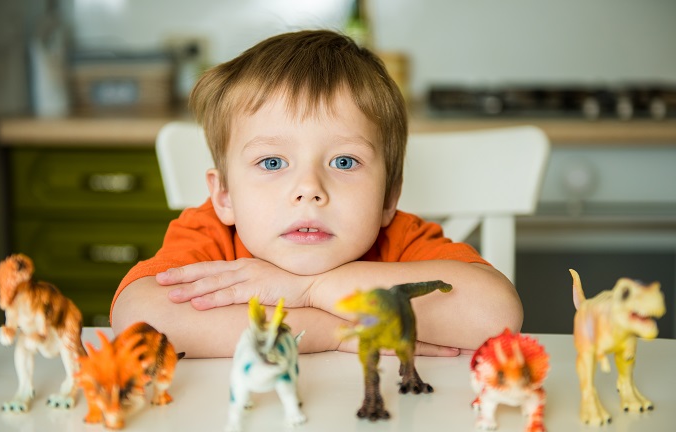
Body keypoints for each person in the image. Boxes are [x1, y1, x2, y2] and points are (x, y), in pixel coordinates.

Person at [111, 30, 522, 358]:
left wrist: (309, 289)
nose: (309, 189)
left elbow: (494, 313)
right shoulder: (211, 232)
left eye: (344, 162)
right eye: (272, 162)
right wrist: (336, 332)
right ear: (225, 196)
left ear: (388, 198)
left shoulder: (399, 237)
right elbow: (139, 317)